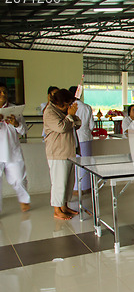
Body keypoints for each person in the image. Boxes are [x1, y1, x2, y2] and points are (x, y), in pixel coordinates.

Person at [43, 89, 81, 220]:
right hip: (58, 153)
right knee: (59, 182)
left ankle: (64, 206)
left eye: (68, 105)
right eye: (65, 105)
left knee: (68, 182)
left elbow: (77, 124)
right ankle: (57, 210)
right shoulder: (49, 112)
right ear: (58, 103)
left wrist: (72, 116)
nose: (67, 107)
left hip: (69, 152)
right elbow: (62, 127)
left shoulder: (65, 112)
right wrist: (70, 116)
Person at [0, 82, 30, 214]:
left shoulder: (14, 110)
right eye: (0, 92)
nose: (3, 94)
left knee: (19, 178)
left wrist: (16, 124)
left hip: (12, 150)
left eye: (5, 92)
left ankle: (24, 200)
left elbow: (23, 131)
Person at [69, 86, 94, 195]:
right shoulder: (87, 107)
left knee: (75, 165)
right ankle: (87, 188)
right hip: (85, 137)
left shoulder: (69, 108)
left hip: (74, 138)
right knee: (86, 164)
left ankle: (76, 189)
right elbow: (91, 125)